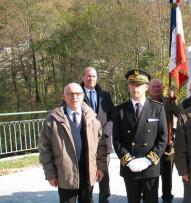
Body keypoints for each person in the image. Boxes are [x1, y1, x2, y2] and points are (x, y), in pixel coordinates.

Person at [38, 83, 107, 203]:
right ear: (64, 97)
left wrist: (100, 167)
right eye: (70, 94)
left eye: (78, 93)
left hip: (88, 171)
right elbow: (45, 149)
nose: (74, 97)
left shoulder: (92, 118)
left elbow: (101, 145)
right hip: (65, 174)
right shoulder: (53, 119)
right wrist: (50, 174)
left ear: (82, 96)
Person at [113, 69, 167, 203]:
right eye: (132, 84)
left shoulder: (157, 108)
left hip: (150, 167)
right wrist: (128, 161)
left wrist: (148, 160)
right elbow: (116, 140)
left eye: (138, 84)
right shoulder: (120, 110)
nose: (135, 87)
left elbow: (163, 138)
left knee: (151, 200)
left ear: (146, 87)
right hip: (130, 166)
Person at [81, 67, 114, 203]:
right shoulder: (76, 94)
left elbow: (112, 116)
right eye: (88, 76)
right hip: (85, 143)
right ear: (83, 77)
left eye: (94, 76)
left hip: (104, 141)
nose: (91, 79)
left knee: (104, 175)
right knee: (86, 176)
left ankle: (104, 200)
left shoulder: (105, 95)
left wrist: (105, 132)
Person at [149, 78, 180, 203]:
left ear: (162, 88)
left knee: (167, 174)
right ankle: (149, 196)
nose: (156, 89)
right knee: (150, 173)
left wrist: (173, 99)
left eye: (159, 86)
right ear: (149, 89)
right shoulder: (145, 103)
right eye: (154, 87)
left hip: (167, 146)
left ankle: (167, 197)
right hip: (150, 145)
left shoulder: (168, 101)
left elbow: (180, 114)